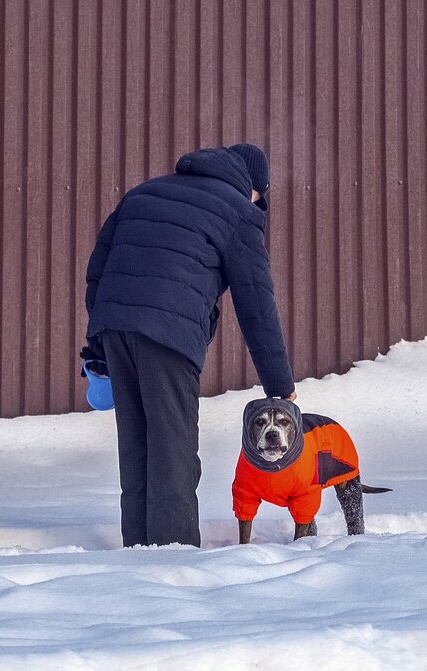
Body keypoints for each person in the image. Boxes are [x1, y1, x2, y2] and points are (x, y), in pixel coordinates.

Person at [82, 143, 295, 548]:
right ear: (253, 187)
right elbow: (256, 306)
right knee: (173, 453)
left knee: (137, 449)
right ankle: (173, 564)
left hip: (115, 327)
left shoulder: (144, 192)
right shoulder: (238, 212)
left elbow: (99, 269)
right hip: (169, 333)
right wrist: (279, 386)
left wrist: (99, 343)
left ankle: (139, 556)